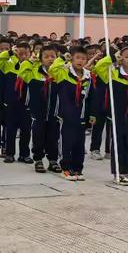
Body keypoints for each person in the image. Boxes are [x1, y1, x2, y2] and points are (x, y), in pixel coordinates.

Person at [95, 46, 128, 184]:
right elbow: (99, 68)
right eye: (126, 56)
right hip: (117, 116)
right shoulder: (114, 74)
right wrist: (111, 58)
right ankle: (118, 172)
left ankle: (127, 171)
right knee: (118, 144)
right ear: (121, 58)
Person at [49, 46, 95, 181]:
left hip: (81, 115)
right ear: (72, 59)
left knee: (79, 144)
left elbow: (91, 96)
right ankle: (65, 168)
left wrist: (92, 114)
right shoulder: (64, 72)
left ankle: (77, 168)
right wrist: (63, 58)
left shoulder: (88, 76)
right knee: (66, 142)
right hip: (66, 114)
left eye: (83, 58)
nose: (80, 61)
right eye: (77, 58)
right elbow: (53, 69)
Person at [18, 44, 62, 173]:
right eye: (46, 56)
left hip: (54, 112)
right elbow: (21, 72)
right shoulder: (34, 73)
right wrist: (31, 60)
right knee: (38, 136)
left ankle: (53, 160)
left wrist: (60, 62)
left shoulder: (60, 73)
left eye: (53, 56)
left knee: (54, 137)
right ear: (40, 59)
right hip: (38, 112)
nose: (50, 59)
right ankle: (38, 159)